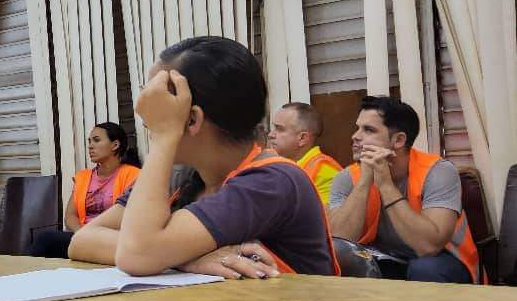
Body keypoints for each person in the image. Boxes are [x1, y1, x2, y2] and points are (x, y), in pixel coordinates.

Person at [68, 36, 339, 278]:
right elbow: (83, 240)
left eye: (156, 101)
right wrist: (186, 258)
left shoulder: (272, 181)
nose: (145, 115)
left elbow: (136, 255)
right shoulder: (179, 175)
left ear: (192, 118)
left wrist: (164, 137)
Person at [327, 96, 480, 283]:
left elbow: (428, 246)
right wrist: (366, 180)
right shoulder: (346, 177)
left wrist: (385, 184)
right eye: (357, 128)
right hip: (386, 260)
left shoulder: (438, 171)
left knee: (425, 268)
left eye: (368, 130)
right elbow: (339, 243)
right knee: (348, 263)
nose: (355, 136)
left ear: (398, 140)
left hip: (444, 262)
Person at [27, 123, 140, 258]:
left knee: (47, 238)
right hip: (82, 236)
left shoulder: (134, 176)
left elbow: (131, 217)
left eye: (96, 140)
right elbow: (70, 216)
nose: (90, 146)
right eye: (89, 141)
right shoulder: (83, 177)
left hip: (113, 238)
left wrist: (93, 235)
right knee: (46, 240)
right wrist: (82, 233)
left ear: (115, 145)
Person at [267, 102, 343, 205]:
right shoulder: (277, 165)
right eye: (273, 128)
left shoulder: (325, 173)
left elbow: (327, 219)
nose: (271, 135)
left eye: (280, 129)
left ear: (302, 138)